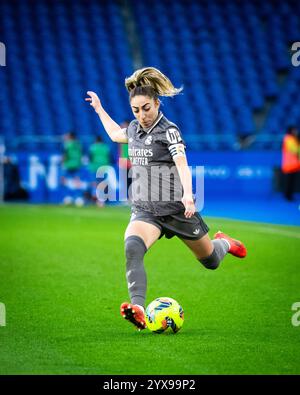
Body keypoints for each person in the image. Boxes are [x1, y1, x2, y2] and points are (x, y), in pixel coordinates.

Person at [85, 67, 247, 331]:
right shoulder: (135, 129)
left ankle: (225, 243)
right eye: (136, 110)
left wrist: (188, 195)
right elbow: (116, 134)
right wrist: (100, 109)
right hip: (145, 210)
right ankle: (137, 307)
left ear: (157, 103)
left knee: (211, 261)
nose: (141, 115)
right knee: (132, 249)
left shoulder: (169, 130)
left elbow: (182, 163)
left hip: (176, 209)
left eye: (146, 108)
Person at [281, 126, 300, 201]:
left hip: (295, 165)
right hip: (288, 165)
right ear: (290, 131)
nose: (296, 131)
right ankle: (287, 196)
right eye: (294, 130)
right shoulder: (288, 139)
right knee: (288, 182)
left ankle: (290, 196)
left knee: (292, 182)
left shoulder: (295, 139)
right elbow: (294, 150)